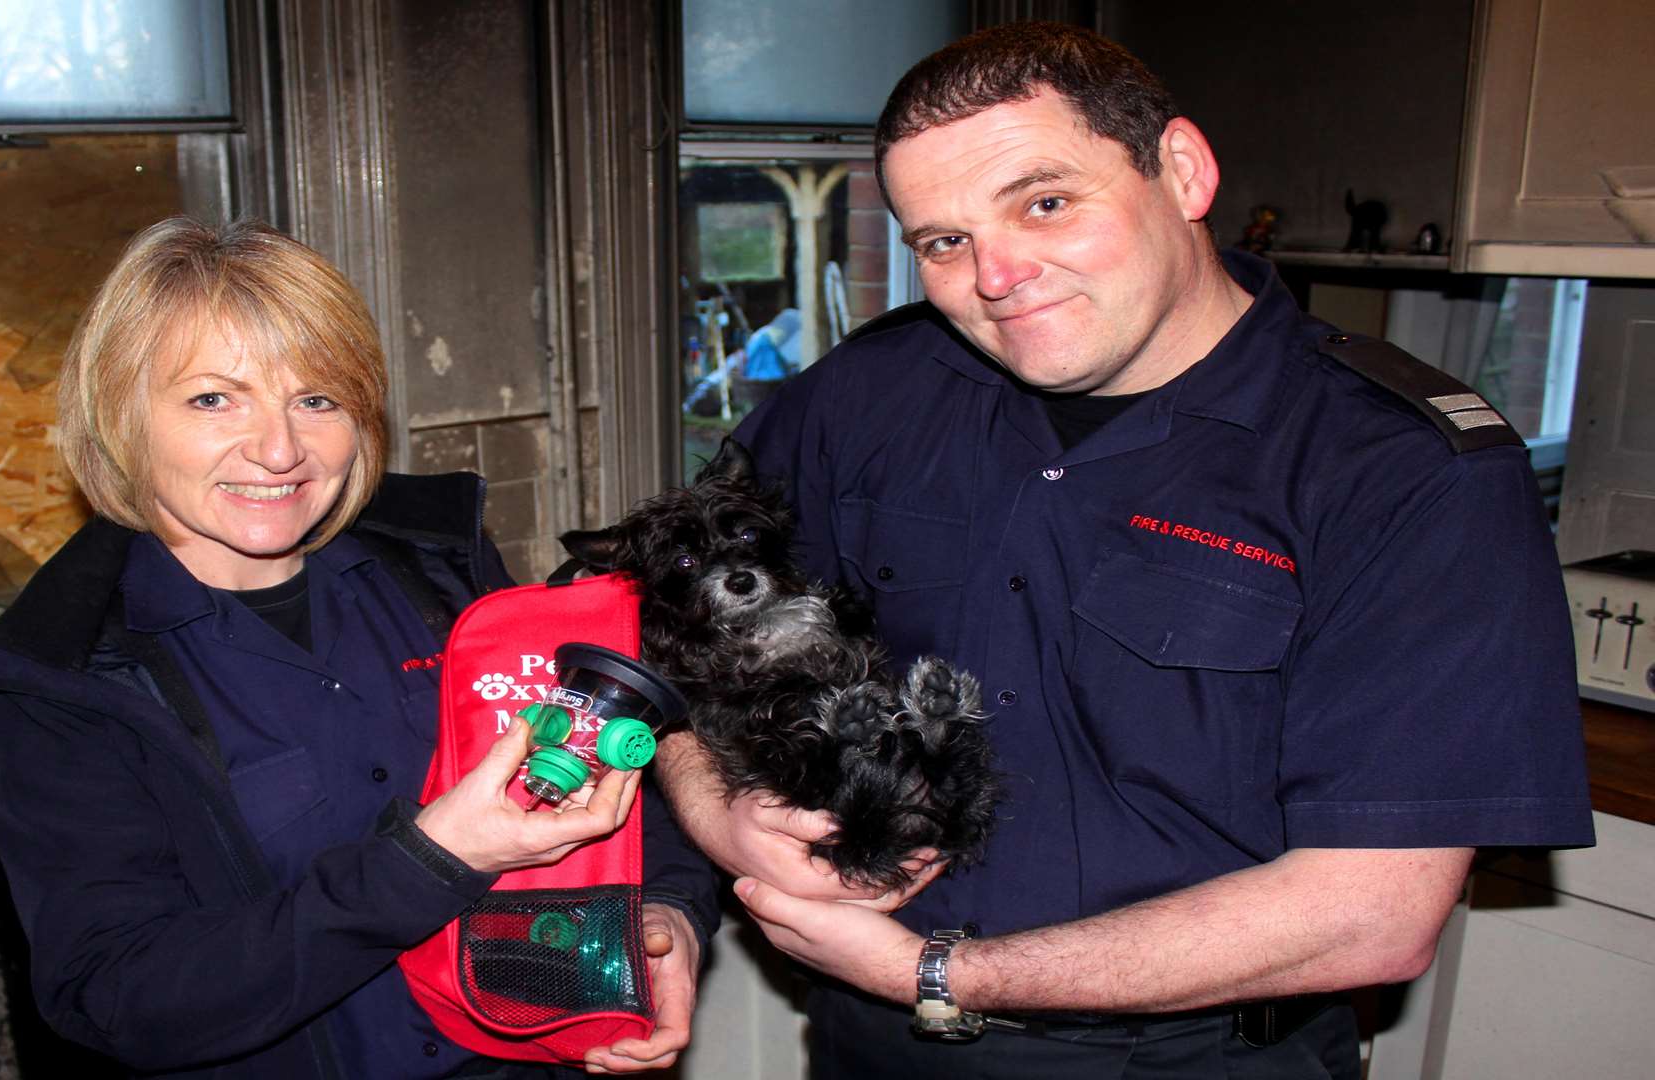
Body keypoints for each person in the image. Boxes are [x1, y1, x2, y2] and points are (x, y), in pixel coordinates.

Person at [653, 22, 1594, 1078]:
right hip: (872, 1047)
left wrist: (941, 973)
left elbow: (1370, 911)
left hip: (1200, 1060)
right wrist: (716, 805)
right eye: (942, 242)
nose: (997, 274)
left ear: (1181, 170)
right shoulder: (867, 396)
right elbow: (665, 629)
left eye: (1043, 201)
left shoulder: (1405, 470)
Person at [0, 217, 716, 1080]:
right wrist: (433, 862)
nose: (280, 449)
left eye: (315, 398)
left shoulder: (443, 573)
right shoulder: (62, 674)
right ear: (123, 414)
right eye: (213, 398)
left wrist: (670, 917)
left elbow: (614, 759)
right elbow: (117, 993)